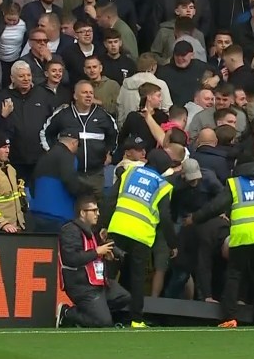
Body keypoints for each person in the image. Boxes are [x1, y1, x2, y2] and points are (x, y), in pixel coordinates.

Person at [187, 160, 254, 329]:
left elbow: (215, 207)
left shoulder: (235, 184)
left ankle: (230, 317)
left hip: (242, 235)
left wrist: (195, 218)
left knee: (234, 275)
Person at [103, 143, 178, 328]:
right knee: (137, 278)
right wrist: (172, 243)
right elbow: (166, 218)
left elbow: (110, 200)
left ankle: (102, 313)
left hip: (118, 228)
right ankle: (136, 320)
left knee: (108, 274)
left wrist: (103, 225)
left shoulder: (128, 173)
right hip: (141, 235)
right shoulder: (163, 186)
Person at [57, 195, 131, 328]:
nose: (98, 213)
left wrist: (106, 255)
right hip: (81, 285)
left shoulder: (93, 232)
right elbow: (71, 259)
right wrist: (97, 252)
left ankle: (94, 313)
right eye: (94, 210)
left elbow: (94, 256)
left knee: (124, 297)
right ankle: (67, 313)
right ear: (82, 213)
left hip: (99, 283)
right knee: (104, 323)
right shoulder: (69, 230)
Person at [31, 130, 90, 232]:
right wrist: (85, 191)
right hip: (59, 214)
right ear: (74, 143)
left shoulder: (45, 156)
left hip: (37, 212)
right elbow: (70, 181)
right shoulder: (68, 156)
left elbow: (32, 183)